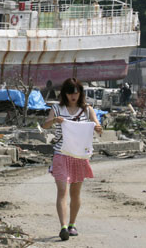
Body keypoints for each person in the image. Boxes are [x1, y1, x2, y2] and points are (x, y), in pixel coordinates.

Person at [42, 78, 102, 241]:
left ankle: (72, 224)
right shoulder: (57, 108)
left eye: (76, 93)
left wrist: (97, 128)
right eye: (70, 93)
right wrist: (55, 120)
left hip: (79, 156)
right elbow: (45, 125)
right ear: (65, 94)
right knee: (62, 191)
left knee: (75, 193)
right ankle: (63, 226)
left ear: (80, 93)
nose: (73, 96)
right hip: (61, 153)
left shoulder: (88, 110)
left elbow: (98, 128)